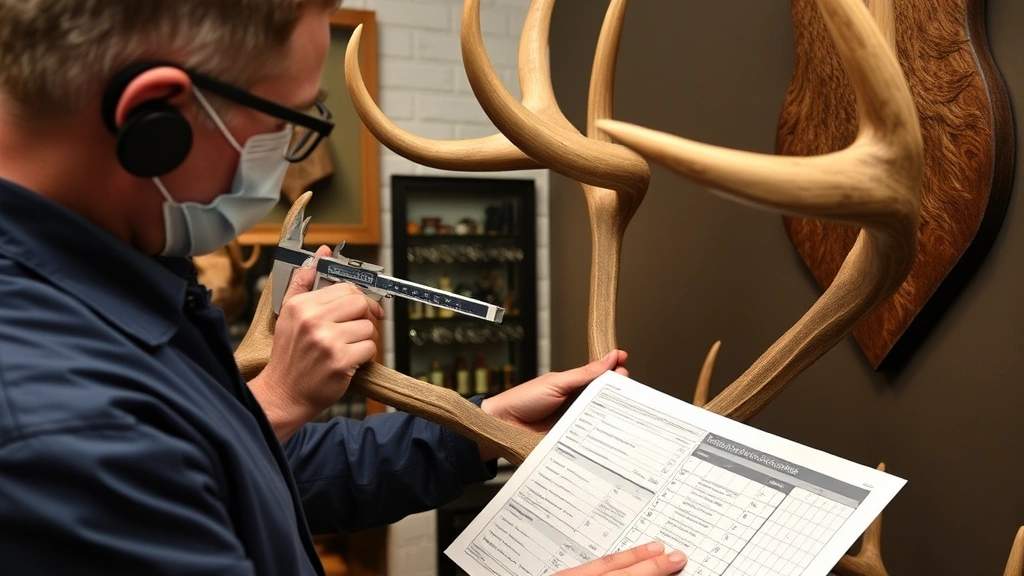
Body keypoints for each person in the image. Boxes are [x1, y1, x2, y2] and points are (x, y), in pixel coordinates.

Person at [0, 1, 688, 575]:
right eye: (287, 124)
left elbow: (236, 474)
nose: (286, 163)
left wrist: (479, 429)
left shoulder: (106, 297)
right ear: (156, 121)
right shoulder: (65, 426)